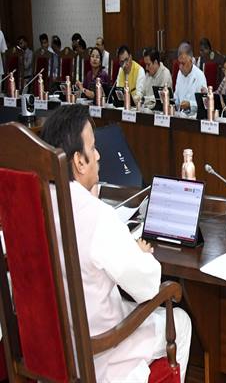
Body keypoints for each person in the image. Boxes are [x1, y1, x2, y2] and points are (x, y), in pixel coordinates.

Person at [40, 104, 191, 382]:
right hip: (99, 353)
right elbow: (146, 287)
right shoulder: (96, 216)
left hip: (52, 349)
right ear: (79, 162)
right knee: (180, 322)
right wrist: (139, 253)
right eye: (93, 148)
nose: (98, 155)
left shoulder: (34, 203)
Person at [174, 41, 207, 113]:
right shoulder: (179, 73)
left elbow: (204, 103)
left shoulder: (199, 75)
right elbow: (176, 97)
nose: (180, 67)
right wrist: (169, 100)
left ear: (191, 60)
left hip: (194, 116)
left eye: (183, 63)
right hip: (180, 115)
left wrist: (190, 104)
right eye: (179, 63)